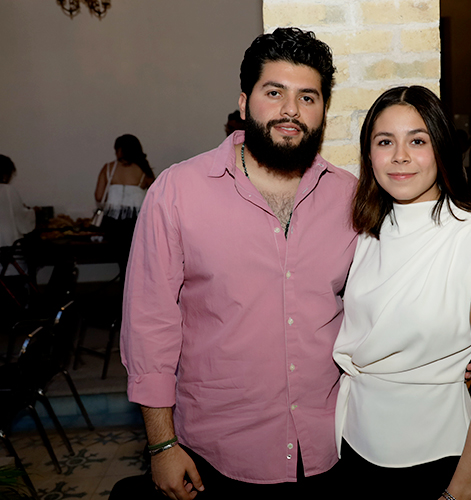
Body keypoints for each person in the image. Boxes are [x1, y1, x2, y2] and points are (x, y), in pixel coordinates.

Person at [113, 28, 358, 499]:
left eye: (307, 97)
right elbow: (149, 325)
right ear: (245, 104)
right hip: (217, 457)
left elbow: (384, 297)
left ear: (323, 110)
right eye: (274, 93)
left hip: (331, 446)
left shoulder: (350, 197)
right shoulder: (177, 192)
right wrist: (161, 444)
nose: (291, 110)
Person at [333, 86, 471, 500]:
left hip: (435, 458)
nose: (400, 156)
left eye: (417, 141)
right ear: (370, 155)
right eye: (385, 142)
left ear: (440, 149)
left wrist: (459, 492)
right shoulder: (367, 234)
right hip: (354, 443)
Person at [94, 134, 155, 278]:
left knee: (122, 260)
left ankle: (123, 285)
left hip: (112, 223)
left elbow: (99, 196)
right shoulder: (143, 170)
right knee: (134, 261)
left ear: (120, 150)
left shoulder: (109, 168)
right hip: (135, 223)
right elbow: (155, 196)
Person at [0, 155, 35, 248]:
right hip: (6, 245)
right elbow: (21, 218)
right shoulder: (7, 190)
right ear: (5, 174)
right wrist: (32, 212)